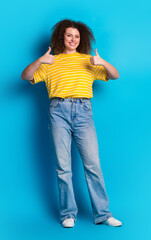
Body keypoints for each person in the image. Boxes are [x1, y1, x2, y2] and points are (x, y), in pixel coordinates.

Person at [21, 19, 121, 228]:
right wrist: (40, 60)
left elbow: (115, 75)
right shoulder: (51, 61)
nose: (73, 39)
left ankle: (103, 214)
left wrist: (102, 63)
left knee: (93, 165)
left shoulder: (89, 60)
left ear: (80, 39)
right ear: (61, 37)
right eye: (69, 35)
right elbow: (26, 76)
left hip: (84, 111)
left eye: (76, 36)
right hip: (58, 112)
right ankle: (68, 214)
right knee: (63, 167)